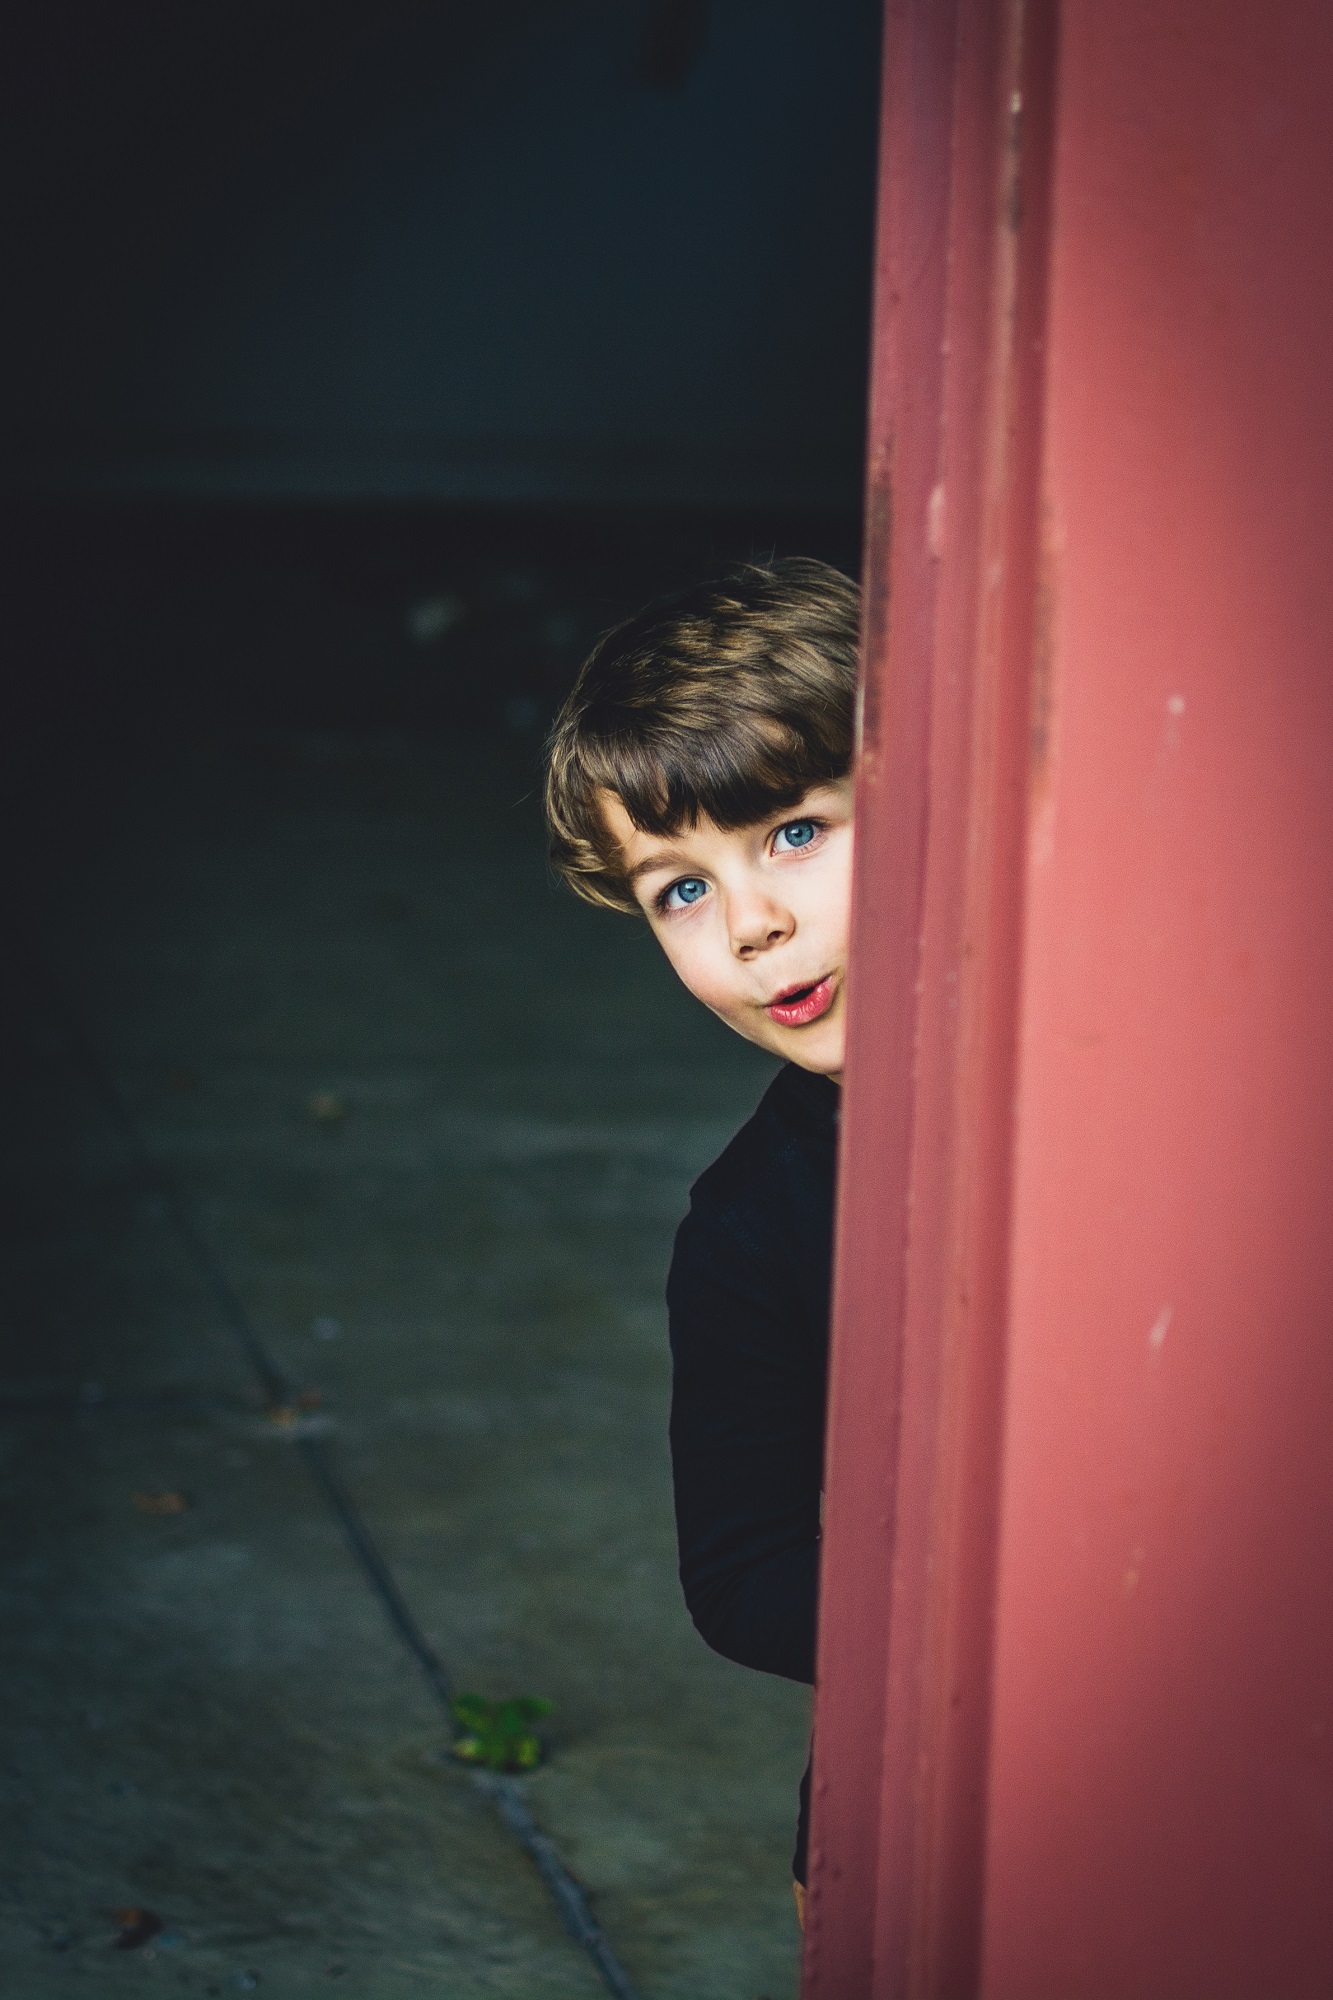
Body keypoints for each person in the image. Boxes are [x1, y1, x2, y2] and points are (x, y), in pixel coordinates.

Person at [543, 556, 858, 1929]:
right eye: (679, 889)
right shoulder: (747, 1229)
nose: (749, 925)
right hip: (944, 1754)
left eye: (791, 833)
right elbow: (741, 1574)